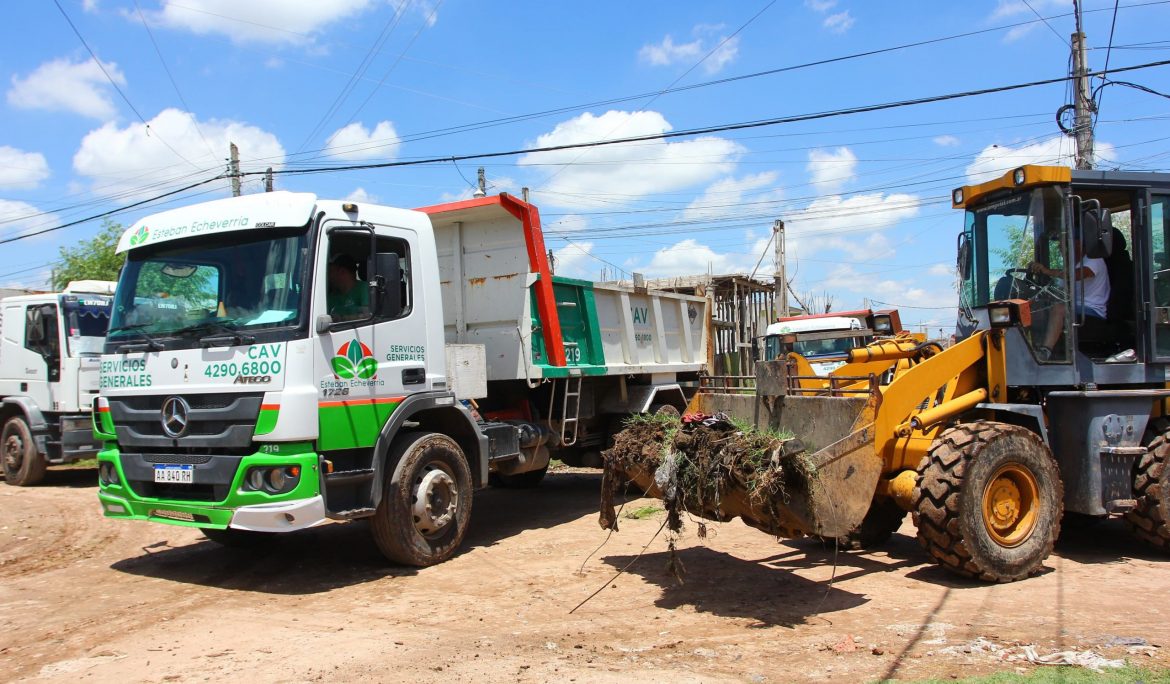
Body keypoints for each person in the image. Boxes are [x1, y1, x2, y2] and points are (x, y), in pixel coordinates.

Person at [1029, 239, 1109, 360]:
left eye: (1064, 247)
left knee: (1059, 308)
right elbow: (1058, 292)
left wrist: (1046, 271)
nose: (1061, 251)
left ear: (1078, 244)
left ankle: (1045, 351)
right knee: (1033, 309)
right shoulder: (1070, 267)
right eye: (1060, 248)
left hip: (1092, 311)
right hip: (1074, 309)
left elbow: (1075, 275)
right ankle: (1031, 348)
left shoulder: (1093, 260)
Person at [327, 253, 369, 319]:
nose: (327, 276)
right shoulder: (331, 296)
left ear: (342, 272)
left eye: (330, 271)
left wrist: (342, 318)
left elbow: (368, 315)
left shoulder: (365, 288)